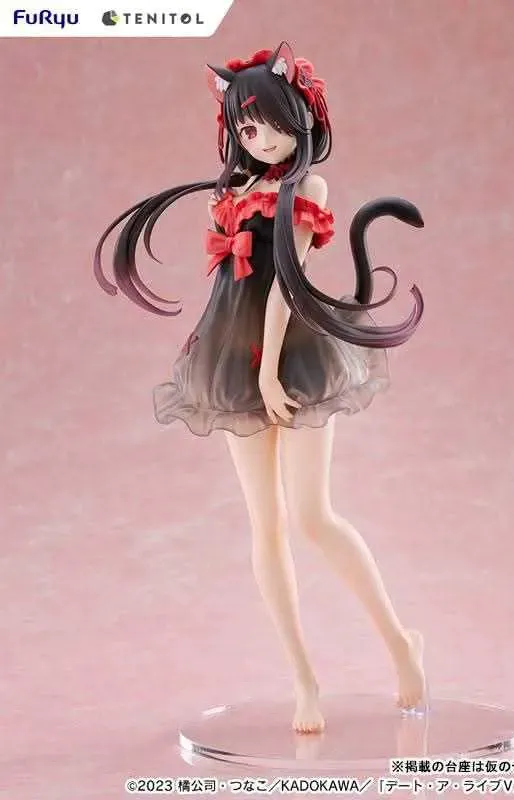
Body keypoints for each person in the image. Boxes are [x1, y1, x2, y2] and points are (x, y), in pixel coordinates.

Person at [94, 41, 427, 733]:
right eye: (247, 128)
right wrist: (237, 359)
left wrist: (271, 367)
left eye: (273, 123)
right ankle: (304, 679)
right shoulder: (231, 193)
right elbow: (229, 285)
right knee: (265, 528)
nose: (263, 138)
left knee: (312, 516)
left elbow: (287, 287)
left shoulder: (307, 190)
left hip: (295, 352)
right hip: (230, 354)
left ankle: (400, 642)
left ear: (302, 116)